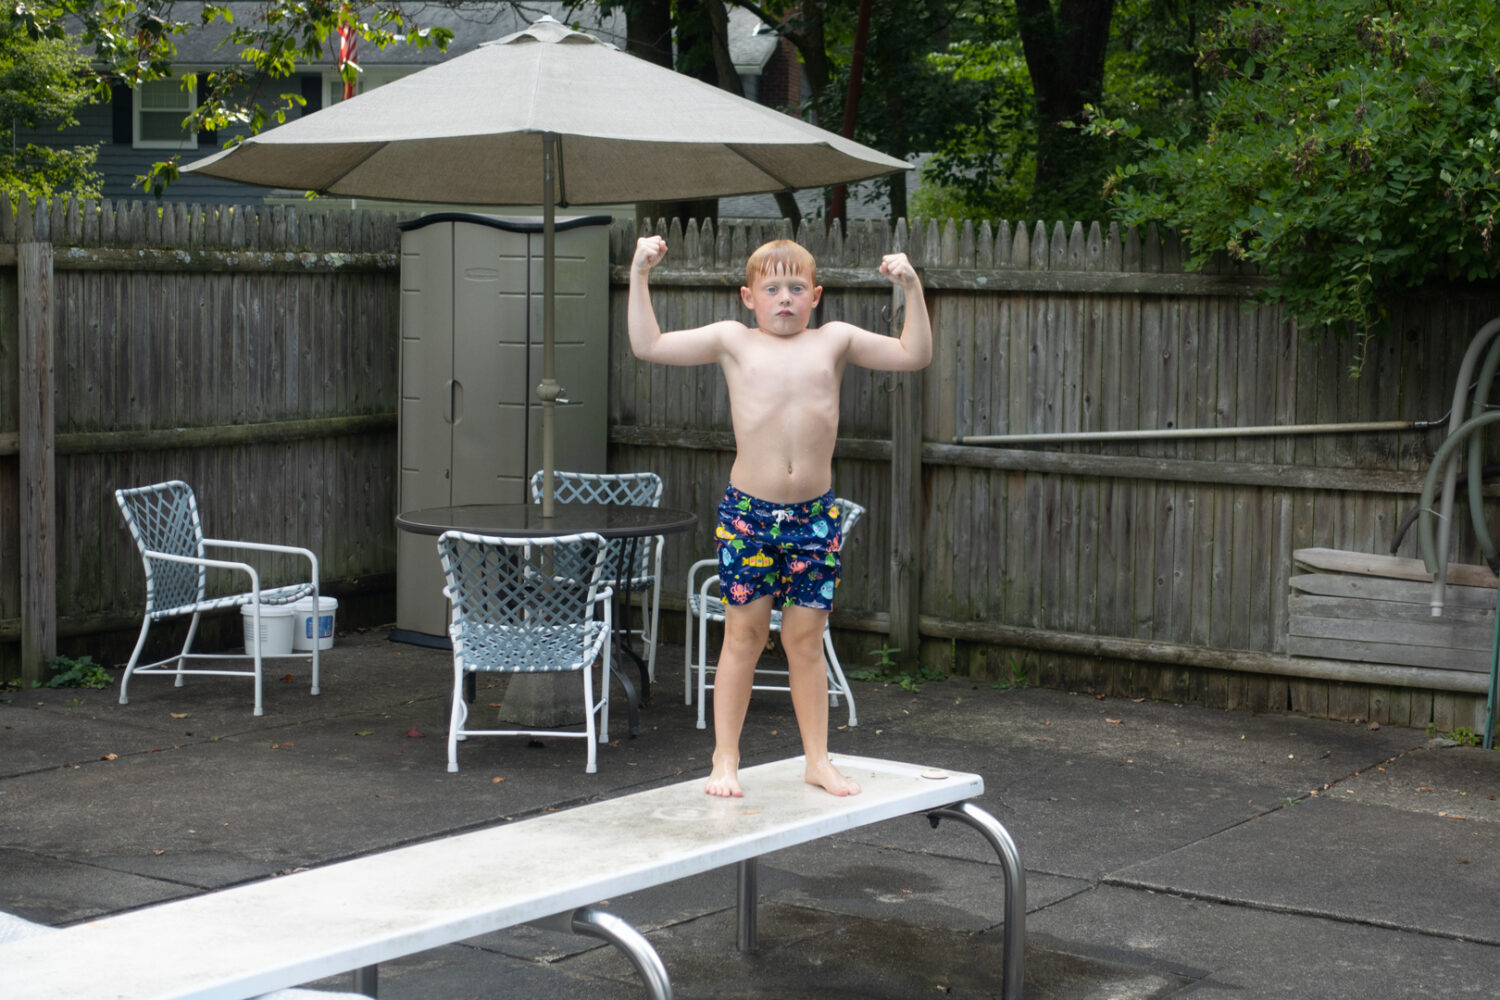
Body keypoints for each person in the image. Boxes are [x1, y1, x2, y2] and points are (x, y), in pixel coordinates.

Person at [627, 234, 933, 798]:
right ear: (749, 296)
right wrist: (640, 273)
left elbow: (914, 354)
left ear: (816, 296)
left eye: (796, 287)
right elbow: (649, 344)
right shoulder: (733, 341)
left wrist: (910, 286)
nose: (784, 298)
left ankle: (817, 758)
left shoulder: (833, 341)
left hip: (814, 518)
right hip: (749, 514)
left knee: (805, 639)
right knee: (742, 636)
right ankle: (725, 759)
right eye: (772, 288)